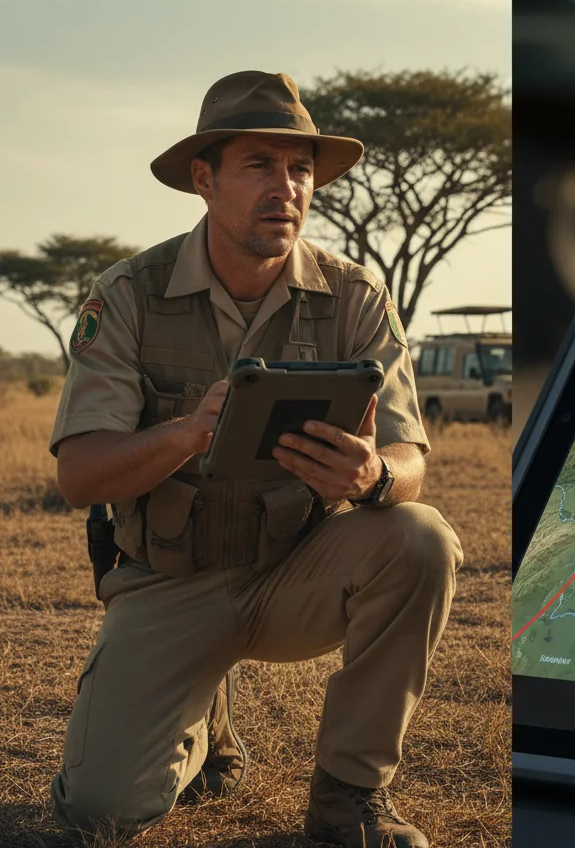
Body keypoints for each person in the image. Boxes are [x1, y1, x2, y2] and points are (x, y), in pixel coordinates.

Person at [48, 70, 463, 848]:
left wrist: (373, 476)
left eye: (300, 167)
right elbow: (79, 475)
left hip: (292, 572)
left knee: (421, 534)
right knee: (100, 810)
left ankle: (349, 797)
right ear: (202, 178)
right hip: (168, 582)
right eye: (259, 165)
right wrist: (185, 434)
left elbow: (412, 458)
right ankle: (203, 717)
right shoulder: (130, 294)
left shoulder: (355, 297)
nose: (286, 187)